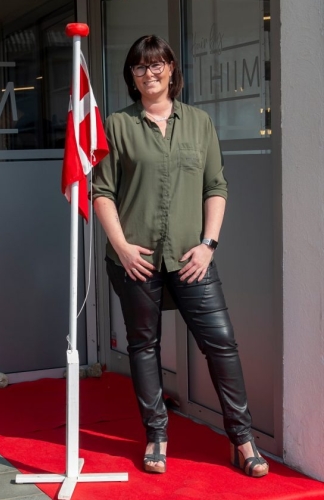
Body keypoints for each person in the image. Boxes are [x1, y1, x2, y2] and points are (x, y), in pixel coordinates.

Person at [91, 35, 269, 478]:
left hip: (192, 258)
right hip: (136, 259)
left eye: (156, 65)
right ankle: (157, 435)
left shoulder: (199, 122)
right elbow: (102, 191)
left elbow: (216, 186)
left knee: (221, 343)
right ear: (131, 76)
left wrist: (209, 245)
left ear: (171, 68)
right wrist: (121, 247)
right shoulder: (117, 124)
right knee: (144, 346)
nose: (148, 74)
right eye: (139, 67)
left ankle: (242, 439)